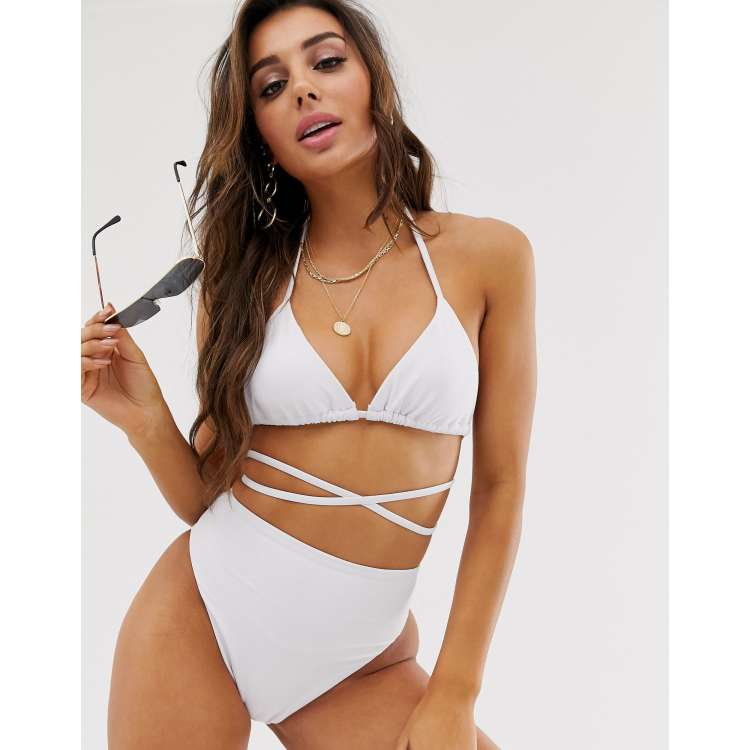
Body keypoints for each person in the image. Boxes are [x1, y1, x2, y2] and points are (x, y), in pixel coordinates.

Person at [81, 1, 536, 748]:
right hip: (201, 618)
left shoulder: (491, 257)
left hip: (361, 666)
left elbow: (501, 487)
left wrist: (455, 691)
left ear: (373, 79)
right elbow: (203, 498)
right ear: (259, 131)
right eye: (271, 86)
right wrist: (142, 418)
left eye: (326, 62)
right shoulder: (242, 278)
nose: (303, 90)